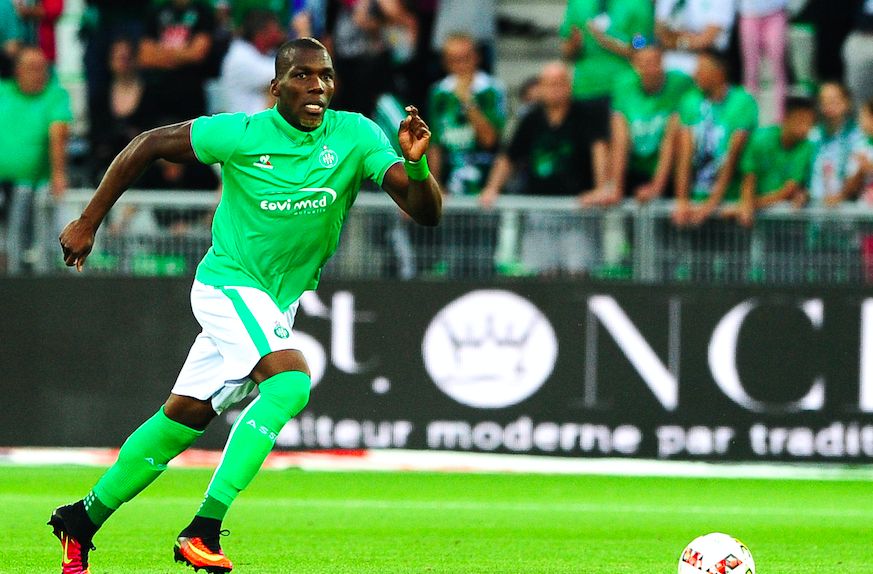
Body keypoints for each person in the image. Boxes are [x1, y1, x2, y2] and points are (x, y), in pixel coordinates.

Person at [48, 37, 442, 574]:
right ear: (276, 87)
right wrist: (88, 221)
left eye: (325, 76)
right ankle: (203, 529)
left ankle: (81, 519)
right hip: (228, 284)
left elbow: (426, 213)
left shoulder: (355, 135)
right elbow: (148, 144)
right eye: (302, 76)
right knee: (290, 383)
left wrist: (416, 167)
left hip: (277, 302)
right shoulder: (240, 133)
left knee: (183, 418)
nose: (317, 87)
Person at [480, 61, 609, 276]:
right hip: (539, 208)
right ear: (540, 87)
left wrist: (601, 188)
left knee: (579, 270)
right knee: (543, 273)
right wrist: (492, 188)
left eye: (560, 83)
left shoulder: (586, 115)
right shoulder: (531, 118)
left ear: (569, 85)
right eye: (550, 84)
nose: (555, 89)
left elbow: (599, 150)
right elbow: (509, 156)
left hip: (578, 208)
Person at [589, 43, 693, 206]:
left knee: (676, 130)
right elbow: (620, 137)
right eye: (644, 63)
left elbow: (673, 136)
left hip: (666, 163)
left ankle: (660, 188)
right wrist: (616, 187)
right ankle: (612, 188)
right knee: (605, 137)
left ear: (662, 62)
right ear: (635, 66)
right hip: (635, 161)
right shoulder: (624, 84)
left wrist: (656, 186)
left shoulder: (680, 83)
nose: (650, 68)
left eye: (654, 62)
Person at [0, 46, 71, 274]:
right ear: (17, 71)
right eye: (32, 68)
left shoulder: (55, 95)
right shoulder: (3, 92)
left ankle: (35, 278)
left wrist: (59, 173)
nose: (39, 74)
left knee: (32, 239)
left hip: (33, 185)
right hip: (3, 185)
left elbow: (58, 133)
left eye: (43, 68)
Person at [673, 49, 759, 227]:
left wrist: (711, 204)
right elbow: (685, 155)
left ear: (719, 74)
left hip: (730, 202)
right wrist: (682, 200)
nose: (695, 74)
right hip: (696, 199)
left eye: (701, 69)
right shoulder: (690, 101)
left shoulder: (743, 102)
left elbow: (733, 156)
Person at [736, 96, 816, 227]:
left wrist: (750, 206)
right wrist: (746, 205)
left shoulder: (806, 147)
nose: (805, 128)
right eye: (801, 121)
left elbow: (790, 189)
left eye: (810, 123)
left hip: (785, 224)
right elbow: (748, 178)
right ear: (786, 118)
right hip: (754, 221)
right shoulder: (759, 139)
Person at [559, 0, 654, 102]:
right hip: (585, 89)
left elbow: (642, 46)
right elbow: (566, 51)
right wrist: (574, 44)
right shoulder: (578, 2)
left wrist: (607, 40)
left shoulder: (639, 3)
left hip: (625, 88)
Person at [138, 0, 214, 125]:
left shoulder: (203, 13)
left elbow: (197, 53)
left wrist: (161, 53)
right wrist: (183, 53)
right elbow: (145, 57)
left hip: (190, 93)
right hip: (158, 92)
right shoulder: (157, 12)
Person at [219, 9, 287, 113]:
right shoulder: (241, 57)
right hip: (246, 122)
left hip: (257, 119)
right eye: (276, 29)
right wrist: (304, 37)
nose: (280, 33)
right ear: (261, 33)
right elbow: (290, 70)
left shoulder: (260, 53)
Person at [808, 82, 861, 206]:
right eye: (823, 100)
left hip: (845, 210)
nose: (828, 104)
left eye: (833, 99)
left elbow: (856, 174)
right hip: (813, 208)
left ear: (847, 103)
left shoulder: (857, 136)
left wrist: (840, 196)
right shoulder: (812, 135)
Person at [655, 0, 737, 74]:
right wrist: (688, 39)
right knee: (651, 63)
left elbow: (707, 39)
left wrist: (678, 40)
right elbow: (660, 31)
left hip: (708, 55)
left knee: (705, 68)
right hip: (669, 52)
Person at [738, 0, 788, 122]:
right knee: (750, 71)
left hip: (775, 13)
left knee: (778, 69)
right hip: (749, 14)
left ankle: (780, 117)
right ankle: (748, 117)